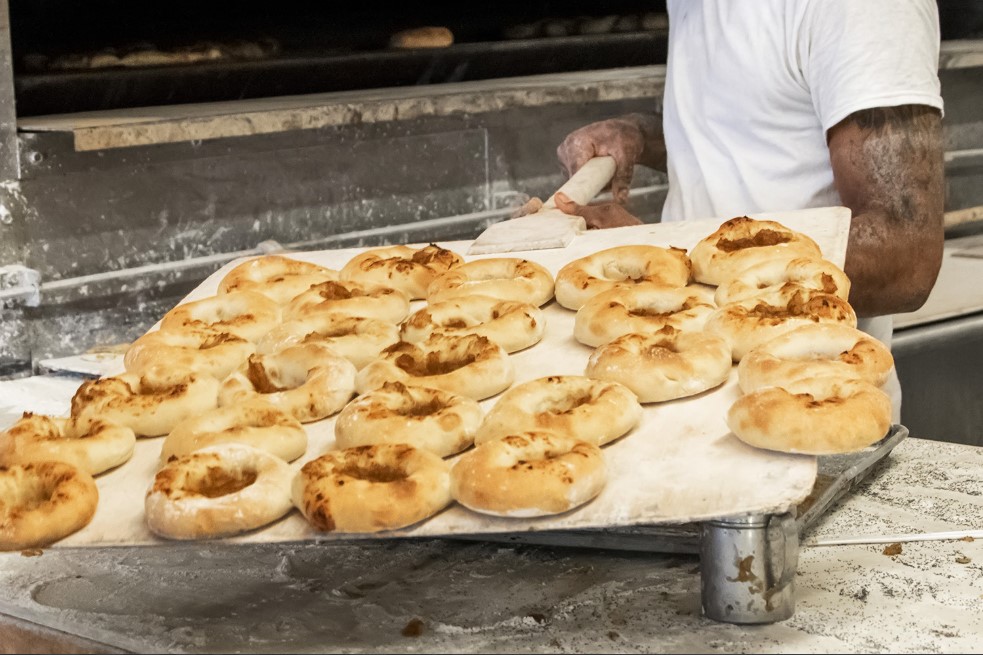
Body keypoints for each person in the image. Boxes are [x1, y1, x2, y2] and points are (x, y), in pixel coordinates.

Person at [528, 0, 946, 421]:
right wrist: (639, 134)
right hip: (685, 386)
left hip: (811, 409)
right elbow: (751, 133)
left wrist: (655, 260)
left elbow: (905, 257)